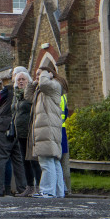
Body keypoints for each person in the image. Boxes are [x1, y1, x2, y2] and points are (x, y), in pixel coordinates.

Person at [26, 63, 68, 198]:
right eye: (36, 74)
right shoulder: (44, 90)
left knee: (46, 161)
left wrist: (44, 74)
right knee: (53, 161)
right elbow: (28, 97)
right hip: (47, 128)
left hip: (47, 128)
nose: (38, 76)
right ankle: (57, 192)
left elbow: (43, 84)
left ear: (49, 74)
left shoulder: (53, 85)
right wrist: (33, 83)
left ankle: (47, 191)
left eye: (40, 74)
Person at [0, 76, 28, 197]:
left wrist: (1, 89)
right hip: (18, 127)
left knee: (0, 159)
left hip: (4, 127)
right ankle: (22, 188)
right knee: (18, 160)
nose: (20, 81)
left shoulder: (9, 90)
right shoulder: (29, 92)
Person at [13, 69, 41, 197]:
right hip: (20, 133)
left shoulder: (30, 94)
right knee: (25, 160)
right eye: (18, 79)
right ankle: (29, 187)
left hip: (30, 132)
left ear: (28, 81)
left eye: (23, 79)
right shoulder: (17, 95)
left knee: (33, 160)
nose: (20, 81)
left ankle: (39, 187)